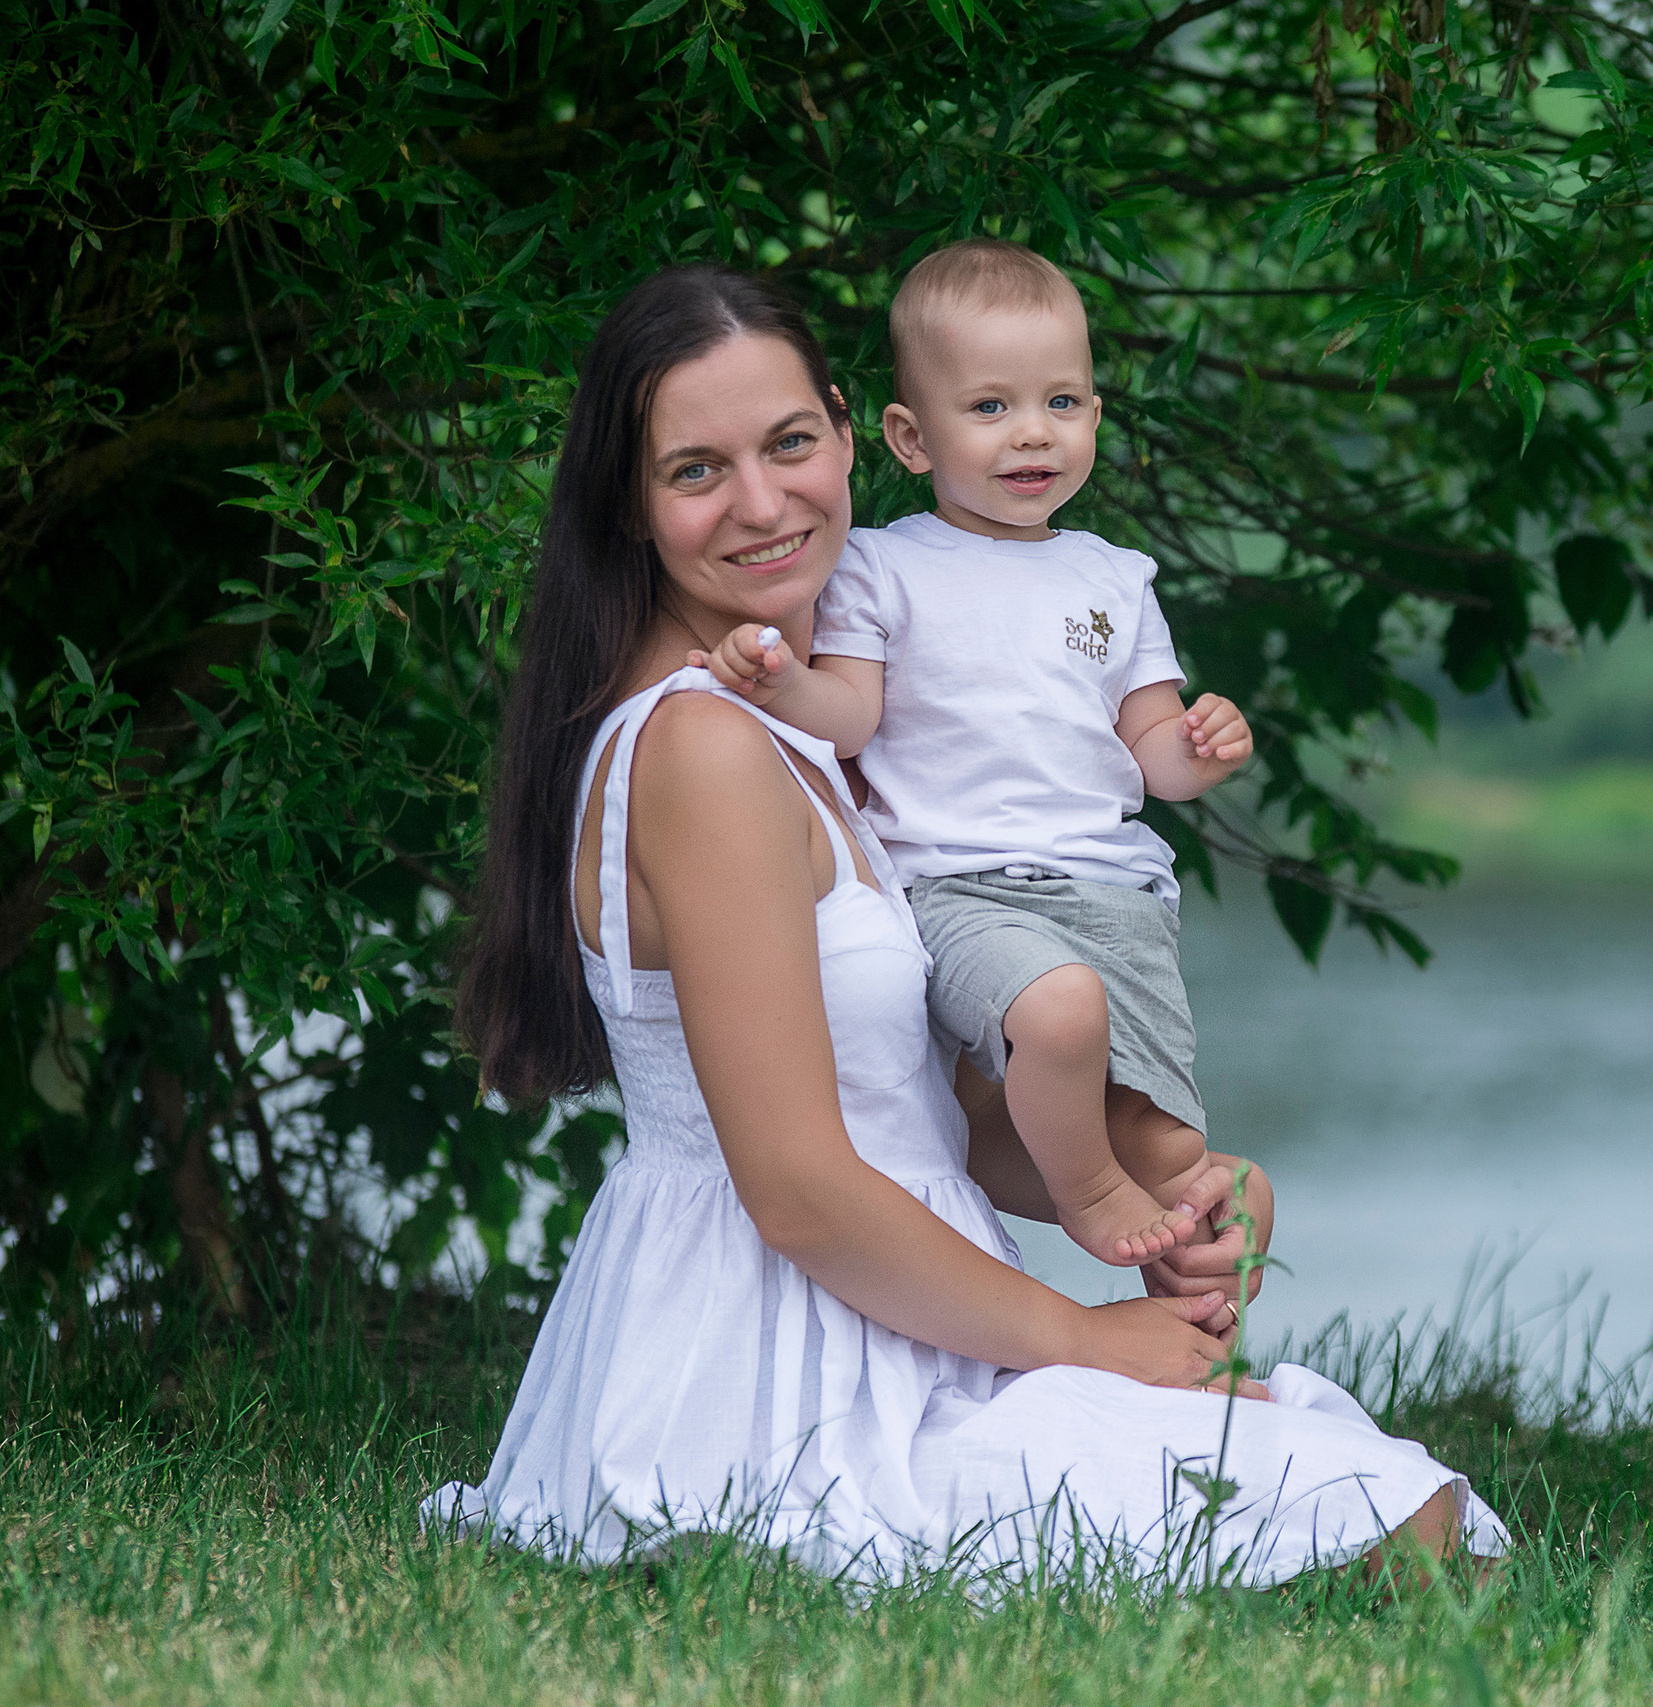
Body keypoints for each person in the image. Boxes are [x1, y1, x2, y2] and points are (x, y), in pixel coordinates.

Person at [432, 264, 1506, 1589]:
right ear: (632, 509)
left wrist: (1153, 1191)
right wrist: (1078, 1334)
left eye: (788, 443)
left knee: (1334, 1465)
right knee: (1382, 1510)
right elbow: (802, 1188)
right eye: (697, 470)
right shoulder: (703, 747)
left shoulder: (806, 728)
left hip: (897, 1312)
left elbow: (917, 1124)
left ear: (847, 429)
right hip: (777, 1364)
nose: (765, 503)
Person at [688, 240, 1235, 1271]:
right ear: (909, 435)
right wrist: (779, 683)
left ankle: (1188, 1349)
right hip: (956, 886)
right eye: (989, 408)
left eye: (1061, 403)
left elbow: (1154, 757)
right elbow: (850, 716)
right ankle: (1084, 1200)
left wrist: (1202, 746)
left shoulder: (1113, 579)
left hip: (1113, 894)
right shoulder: (884, 566)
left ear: (1094, 417)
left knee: (1174, 1148)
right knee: (1061, 1013)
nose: (1033, 433)